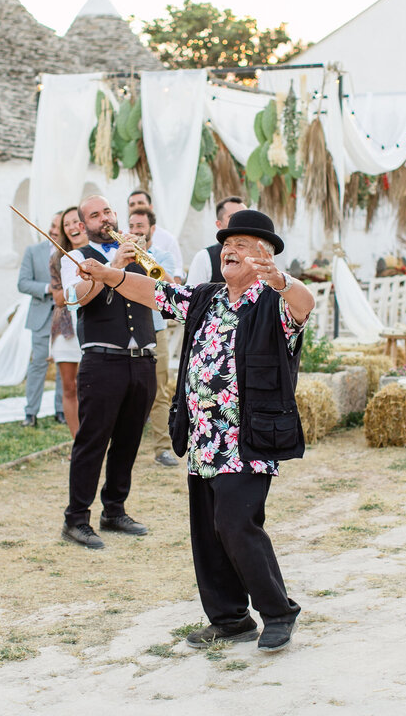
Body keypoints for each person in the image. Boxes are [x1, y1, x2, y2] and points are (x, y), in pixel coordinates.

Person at [75, 208, 313, 653]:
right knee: (208, 532)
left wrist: (278, 278)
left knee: (236, 523)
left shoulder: (275, 301)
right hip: (203, 438)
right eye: (227, 243)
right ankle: (230, 619)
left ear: (265, 255)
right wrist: (108, 274)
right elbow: (155, 292)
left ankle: (279, 612)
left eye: (241, 245)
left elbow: (304, 305)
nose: (229, 250)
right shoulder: (207, 297)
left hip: (249, 440)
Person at [59, 195, 156, 550]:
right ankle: (76, 518)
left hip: (143, 357)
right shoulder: (79, 258)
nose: (105, 218)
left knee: (129, 440)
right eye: (95, 215)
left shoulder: (137, 253)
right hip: (103, 360)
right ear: (84, 226)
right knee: (93, 441)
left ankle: (114, 509)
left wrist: (138, 261)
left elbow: (160, 293)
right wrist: (114, 263)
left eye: (108, 212)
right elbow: (78, 297)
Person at [127, 206, 182, 468]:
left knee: (159, 391)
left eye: (140, 226)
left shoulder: (162, 256)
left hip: (155, 329)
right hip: (126, 332)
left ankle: (162, 448)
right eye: (132, 226)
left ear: (152, 229)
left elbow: (170, 287)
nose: (136, 231)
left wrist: (145, 257)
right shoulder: (120, 256)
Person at [16, 213, 60, 428]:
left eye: (57, 227)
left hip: (66, 316)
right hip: (41, 314)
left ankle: (61, 410)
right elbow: (23, 283)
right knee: (38, 363)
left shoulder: (73, 252)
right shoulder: (33, 252)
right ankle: (31, 413)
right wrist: (47, 289)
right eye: (51, 225)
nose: (53, 230)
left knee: (65, 364)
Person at [49, 206, 85, 437]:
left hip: (96, 325)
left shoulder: (102, 254)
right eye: (66, 224)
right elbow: (59, 298)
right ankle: (77, 440)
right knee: (69, 386)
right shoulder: (58, 258)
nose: (72, 227)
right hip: (66, 328)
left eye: (76, 221)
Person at [186, 196, 247, 285]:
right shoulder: (204, 257)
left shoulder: (261, 254)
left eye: (245, 216)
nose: (240, 221)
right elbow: (192, 295)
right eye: (233, 217)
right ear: (219, 224)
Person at [127, 190, 183, 279]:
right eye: (132, 204)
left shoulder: (168, 240)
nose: (136, 207)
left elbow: (176, 276)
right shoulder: (125, 234)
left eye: (140, 203)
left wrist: (143, 255)